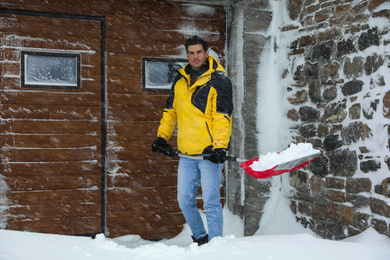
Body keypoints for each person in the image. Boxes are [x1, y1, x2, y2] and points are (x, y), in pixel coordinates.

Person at [151, 36, 233, 245]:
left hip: (208, 153)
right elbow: (170, 112)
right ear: (187, 55)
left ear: (207, 53)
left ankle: (215, 247)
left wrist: (220, 147)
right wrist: (162, 137)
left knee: (211, 203)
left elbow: (222, 117)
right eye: (191, 53)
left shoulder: (220, 80)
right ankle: (201, 238)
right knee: (185, 201)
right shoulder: (180, 80)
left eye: (199, 52)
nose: (195, 57)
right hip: (186, 154)